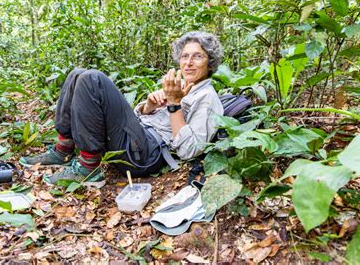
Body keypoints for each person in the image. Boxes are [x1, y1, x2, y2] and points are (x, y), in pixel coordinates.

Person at [20, 31, 224, 188]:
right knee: (77, 74)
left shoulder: (207, 98)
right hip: (137, 138)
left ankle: (88, 169)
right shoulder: (180, 85)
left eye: (197, 57)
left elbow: (190, 150)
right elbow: (136, 118)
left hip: (145, 156)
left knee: (93, 79)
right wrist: (148, 106)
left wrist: (174, 105)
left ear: (210, 63)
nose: (188, 62)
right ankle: (63, 150)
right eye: (185, 56)